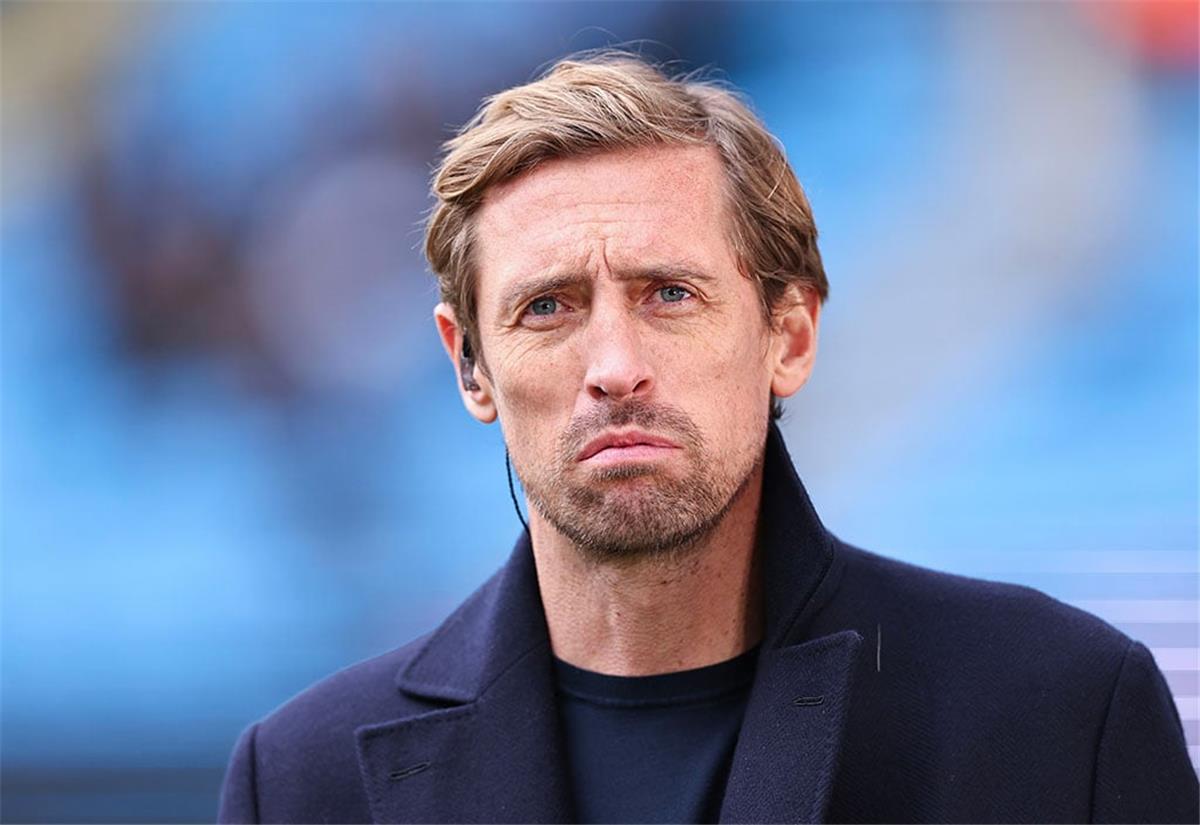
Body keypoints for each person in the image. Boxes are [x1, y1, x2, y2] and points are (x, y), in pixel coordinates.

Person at [217, 53, 1198, 824]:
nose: (614, 366)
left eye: (670, 294)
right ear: (470, 365)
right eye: (548, 306)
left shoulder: (1057, 710)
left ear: (789, 336)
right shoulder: (301, 780)